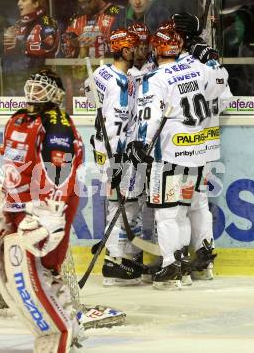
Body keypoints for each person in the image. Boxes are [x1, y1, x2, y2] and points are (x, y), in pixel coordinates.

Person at [0, 69, 84, 352]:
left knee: (41, 269)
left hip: (45, 206)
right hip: (17, 205)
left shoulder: (56, 121)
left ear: (56, 94)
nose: (34, 91)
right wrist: (4, 189)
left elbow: (59, 169)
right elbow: (13, 160)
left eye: (42, 88)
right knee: (15, 273)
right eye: (32, 85)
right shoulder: (17, 118)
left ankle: (64, 327)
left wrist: (49, 209)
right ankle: (65, 319)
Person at [131, 24, 229, 290]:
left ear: (157, 48)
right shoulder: (199, 68)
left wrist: (140, 143)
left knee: (167, 213)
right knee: (191, 208)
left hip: (170, 156)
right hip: (198, 154)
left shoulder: (156, 78)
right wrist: (212, 60)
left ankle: (171, 266)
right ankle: (193, 262)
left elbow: (148, 118)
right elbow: (222, 89)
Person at [84, 28, 146, 286]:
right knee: (126, 204)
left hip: (102, 148)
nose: (138, 51)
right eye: (133, 48)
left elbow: (88, 91)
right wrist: (118, 161)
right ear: (123, 50)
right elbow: (116, 126)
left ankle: (117, 255)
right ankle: (114, 261)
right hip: (116, 152)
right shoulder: (122, 83)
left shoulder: (101, 72)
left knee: (115, 204)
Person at [2, 0, 59, 95]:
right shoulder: (18, 24)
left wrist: (21, 45)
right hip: (13, 83)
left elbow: (48, 46)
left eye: (23, 0)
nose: (19, 3)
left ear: (36, 3)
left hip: (39, 85)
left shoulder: (47, 21)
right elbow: (8, 53)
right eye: (19, 0)